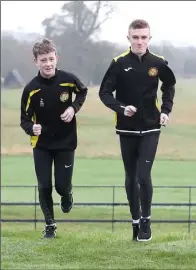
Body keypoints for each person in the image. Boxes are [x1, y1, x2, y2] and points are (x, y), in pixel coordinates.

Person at [98, 19, 176, 242]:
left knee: (144, 175)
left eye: (144, 37)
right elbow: (104, 93)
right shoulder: (118, 63)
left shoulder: (158, 62)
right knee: (131, 177)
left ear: (149, 39)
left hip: (151, 127)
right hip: (126, 129)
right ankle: (134, 220)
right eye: (136, 37)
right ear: (128, 38)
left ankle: (146, 222)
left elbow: (169, 85)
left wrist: (166, 110)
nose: (140, 41)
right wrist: (121, 108)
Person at [19, 38, 89, 239]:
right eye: (43, 60)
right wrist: (32, 128)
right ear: (36, 62)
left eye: (51, 59)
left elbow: (83, 92)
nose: (48, 63)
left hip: (66, 143)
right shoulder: (31, 89)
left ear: (56, 58)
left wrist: (73, 108)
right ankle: (50, 224)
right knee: (44, 186)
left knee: (60, 186)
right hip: (41, 145)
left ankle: (67, 195)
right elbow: (23, 119)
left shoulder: (68, 79)